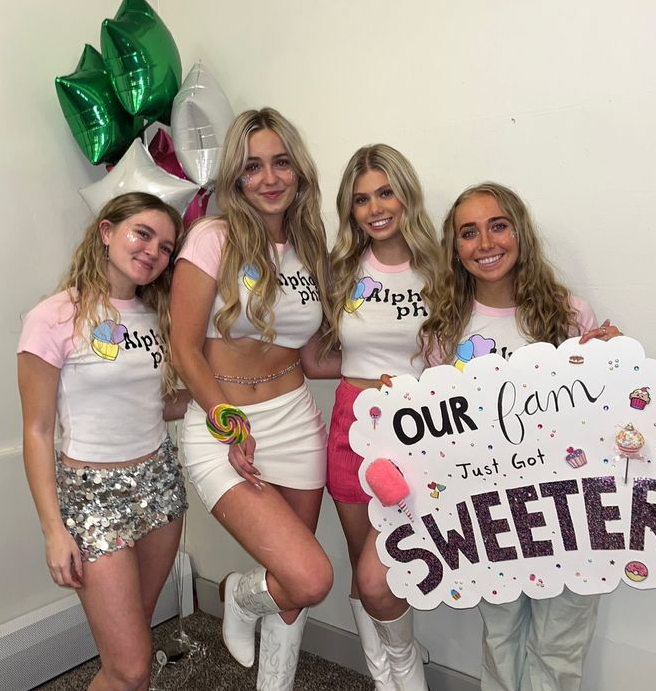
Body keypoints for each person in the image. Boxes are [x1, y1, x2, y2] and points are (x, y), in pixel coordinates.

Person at [423, 182, 620, 691]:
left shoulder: (569, 314)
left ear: (520, 233)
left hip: (572, 510)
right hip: (490, 513)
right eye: (469, 232)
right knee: (501, 640)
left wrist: (617, 364)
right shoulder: (444, 331)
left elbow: (603, 416)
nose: (486, 242)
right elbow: (437, 435)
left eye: (498, 226)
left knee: (560, 649)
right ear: (455, 249)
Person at [170, 107, 336, 691]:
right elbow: (185, 348)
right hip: (223, 423)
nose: (269, 178)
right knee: (309, 577)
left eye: (281, 163)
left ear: (299, 170)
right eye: (253, 166)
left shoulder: (312, 249)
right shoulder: (211, 238)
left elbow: (314, 357)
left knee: (292, 589)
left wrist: (405, 365)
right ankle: (238, 594)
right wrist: (230, 423)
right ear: (235, 177)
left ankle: (272, 676)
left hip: (295, 421)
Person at [17, 192, 189, 691]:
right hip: (93, 499)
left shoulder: (158, 314)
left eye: (165, 247)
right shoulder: (53, 316)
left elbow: (155, 403)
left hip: (160, 487)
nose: (153, 252)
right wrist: (54, 530)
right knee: (129, 666)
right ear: (107, 232)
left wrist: (228, 394)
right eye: (142, 234)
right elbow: (37, 430)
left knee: (135, 644)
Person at [320, 144, 440, 690]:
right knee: (359, 561)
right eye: (361, 199)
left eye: (385, 192)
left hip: (416, 430)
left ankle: (405, 663)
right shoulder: (339, 270)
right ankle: (383, 677)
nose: (375, 208)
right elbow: (315, 352)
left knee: (389, 564)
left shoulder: (441, 267)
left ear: (405, 194)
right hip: (352, 424)